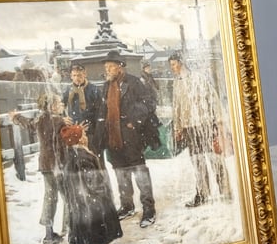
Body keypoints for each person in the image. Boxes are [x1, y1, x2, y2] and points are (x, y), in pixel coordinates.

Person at [95, 50, 157, 228]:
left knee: (139, 171)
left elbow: (149, 103)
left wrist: (133, 121)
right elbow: (103, 110)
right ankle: (127, 206)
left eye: (110, 66)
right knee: (120, 172)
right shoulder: (107, 86)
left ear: (120, 67)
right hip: (113, 137)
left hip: (131, 137)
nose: (107, 70)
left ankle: (149, 209)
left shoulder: (134, 82)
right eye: (106, 67)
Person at [169, 53, 233, 208]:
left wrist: (218, 120)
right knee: (197, 161)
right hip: (190, 128)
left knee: (214, 158)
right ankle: (203, 193)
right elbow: (177, 106)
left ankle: (225, 190)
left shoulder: (198, 78)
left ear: (182, 63)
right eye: (171, 65)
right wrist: (178, 127)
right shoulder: (176, 83)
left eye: (174, 64)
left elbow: (213, 98)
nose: (173, 68)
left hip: (206, 124)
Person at [10, 93, 69, 244]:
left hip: (45, 164)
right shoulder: (59, 121)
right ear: (52, 106)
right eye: (59, 102)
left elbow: (27, 123)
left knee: (50, 197)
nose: (61, 104)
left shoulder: (40, 119)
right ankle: (69, 230)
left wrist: (16, 117)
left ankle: (49, 234)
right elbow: (69, 138)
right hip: (59, 164)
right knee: (68, 197)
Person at [60, 124, 121, 244]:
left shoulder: (70, 155)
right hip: (89, 200)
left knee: (78, 225)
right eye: (84, 135)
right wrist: (100, 193)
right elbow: (91, 180)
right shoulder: (83, 157)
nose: (86, 137)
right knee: (92, 227)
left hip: (77, 200)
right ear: (80, 140)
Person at [62, 63, 102, 157]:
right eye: (74, 75)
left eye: (79, 75)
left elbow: (101, 111)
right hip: (74, 131)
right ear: (71, 76)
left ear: (85, 74)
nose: (77, 78)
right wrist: (63, 118)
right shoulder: (68, 90)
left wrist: (96, 129)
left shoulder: (94, 90)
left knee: (94, 157)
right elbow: (60, 106)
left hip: (90, 131)